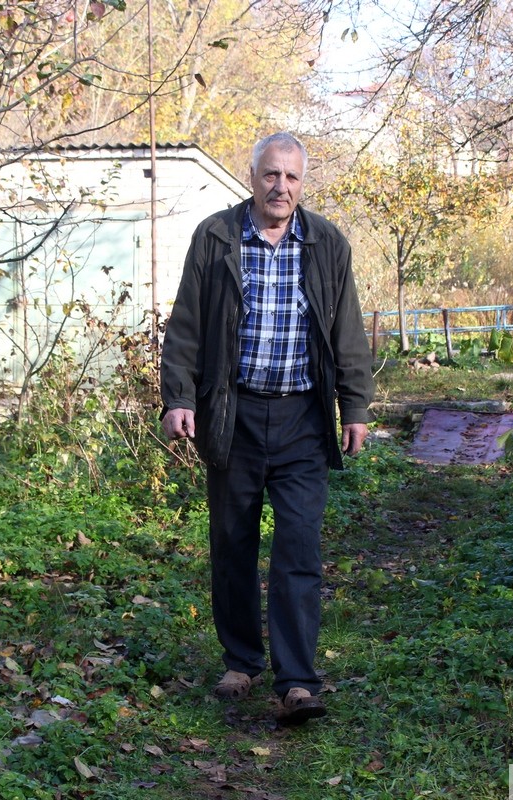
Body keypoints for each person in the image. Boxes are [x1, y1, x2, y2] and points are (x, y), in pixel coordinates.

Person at [159, 131, 375, 725]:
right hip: (235, 413)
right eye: (270, 175)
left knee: (299, 546)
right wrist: (179, 396)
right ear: (251, 176)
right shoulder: (217, 236)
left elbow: (347, 331)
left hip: (304, 419)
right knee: (232, 543)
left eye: (292, 177)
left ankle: (298, 681)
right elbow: (186, 325)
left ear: (303, 183)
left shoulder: (327, 242)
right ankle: (240, 661)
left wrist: (354, 407)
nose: (281, 187)